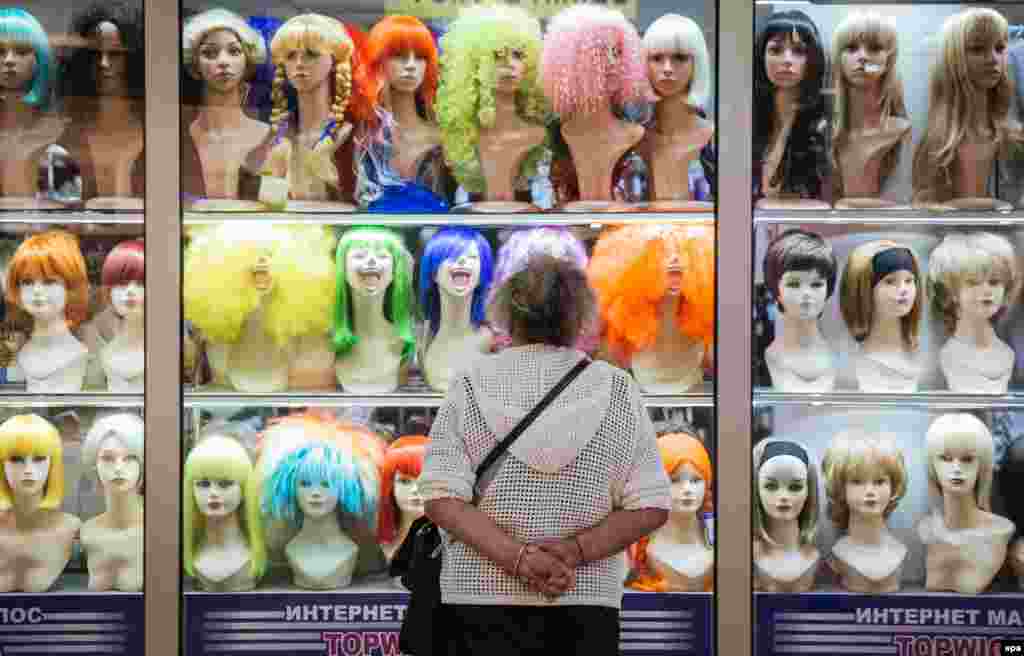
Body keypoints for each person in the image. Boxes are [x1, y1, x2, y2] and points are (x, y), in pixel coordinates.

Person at [421, 254, 671, 656]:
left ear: (507, 313)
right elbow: (652, 504)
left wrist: (520, 559)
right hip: (584, 601)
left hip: (479, 600)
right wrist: (574, 551)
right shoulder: (616, 388)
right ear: (579, 316)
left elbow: (440, 497)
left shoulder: (470, 381)